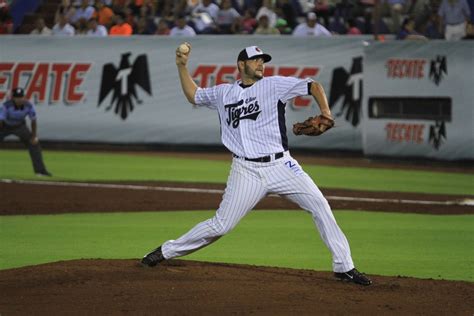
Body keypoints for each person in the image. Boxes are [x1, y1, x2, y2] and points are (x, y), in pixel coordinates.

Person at [141, 44, 372, 286]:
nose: (261, 64)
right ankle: (165, 251)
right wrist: (182, 66)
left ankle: (344, 267)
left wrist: (325, 111)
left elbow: (313, 85)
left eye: (263, 60)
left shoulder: (273, 85)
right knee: (221, 225)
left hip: (282, 166)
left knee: (320, 205)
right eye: (255, 60)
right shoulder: (223, 93)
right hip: (245, 170)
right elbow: (194, 95)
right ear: (241, 65)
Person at [0, 88, 52, 177]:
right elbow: (1, 121)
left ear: (24, 97)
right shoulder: (6, 106)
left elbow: (33, 120)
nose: (19, 99)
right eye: (16, 97)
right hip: (5, 126)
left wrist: (34, 136)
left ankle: (40, 171)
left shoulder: (28, 105)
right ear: (13, 98)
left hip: (20, 126)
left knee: (34, 144)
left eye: (21, 97)